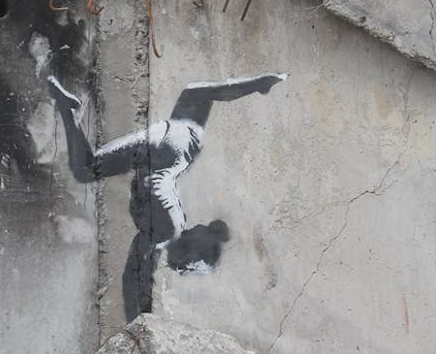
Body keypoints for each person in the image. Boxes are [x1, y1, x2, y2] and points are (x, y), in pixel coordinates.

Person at [48, 71, 287, 321]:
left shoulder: (170, 223)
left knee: (87, 168)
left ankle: (68, 108)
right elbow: (133, 277)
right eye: (191, 268)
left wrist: (255, 84)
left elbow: (195, 92)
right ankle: (68, 109)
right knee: (86, 170)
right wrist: (142, 323)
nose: (182, 271)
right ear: (193, 254)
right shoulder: (164, 234)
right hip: (163, 151)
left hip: (171, 136)